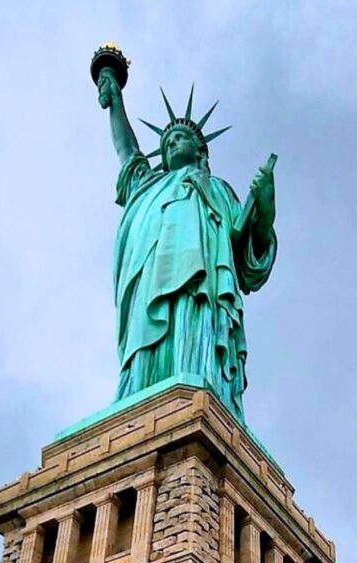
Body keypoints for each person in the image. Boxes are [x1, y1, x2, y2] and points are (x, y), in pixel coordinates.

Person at [95, 71, 277, 422]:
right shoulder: (147, 185)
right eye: (167, 143)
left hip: (202, 290)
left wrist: (266, 209)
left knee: (194, 353)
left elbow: (248, 255)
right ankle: (139, 400)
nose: (172, 144)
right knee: (148, 358)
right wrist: (115, 101)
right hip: (150, 286)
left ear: (201, 149)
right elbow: (128, 151)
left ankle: (201, 390)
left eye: (180, 138)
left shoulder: (219, 191)